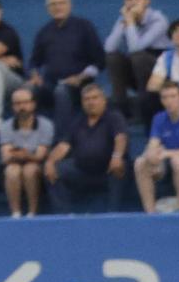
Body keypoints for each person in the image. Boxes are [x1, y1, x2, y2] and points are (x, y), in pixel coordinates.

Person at [27, 0, 103, 139]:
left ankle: (63, 141)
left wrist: (80, 77)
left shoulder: (84, 27)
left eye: (61, 3)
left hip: (79, 84)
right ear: (48, 8)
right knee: (27, 90)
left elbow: (100, 61)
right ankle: (31, 139)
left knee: (61, 91)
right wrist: (34, 75)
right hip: (50, 83)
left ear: (70, 5)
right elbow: (34, 61)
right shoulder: (44, 32)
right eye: (53, 4)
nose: (58, 7)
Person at [42, 82, 128, 212]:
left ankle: (113, 214)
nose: (91, 102)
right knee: (54, 170)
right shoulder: (77, 121)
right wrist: (50, 161)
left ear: (103, 99)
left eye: (95, 98)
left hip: (108, 169)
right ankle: (64, 216)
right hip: (82, 170)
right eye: (87, 99)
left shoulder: (114, 117)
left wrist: (117, 156)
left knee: (120, 167)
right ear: (82, 102)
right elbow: (64, 146)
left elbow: (120, 137)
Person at [103, 0, 173, 124]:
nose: (133, 2)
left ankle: (144, 106)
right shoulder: (124, 17)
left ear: (147, 1)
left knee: (138, 57)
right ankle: (120, 109)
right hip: (136, 71)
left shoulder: (158, 20)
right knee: (112, 58)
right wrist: (125, 22)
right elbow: (109, 48)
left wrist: (129, 22)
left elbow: (136, 48)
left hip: (160, 73)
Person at [133, 82, 179, 210]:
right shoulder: (158, 118)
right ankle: (150, 212)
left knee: (177, 161)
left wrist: (165, 153)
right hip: (164, 161)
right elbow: (153, 144)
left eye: (172, 96)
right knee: (140, 162)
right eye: (164, 97)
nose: (168, 101)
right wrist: (151, 155)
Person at [0, 87, 54, 216]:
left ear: (33, 104)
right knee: (11, 171)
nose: (22, 107)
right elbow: (6, 156)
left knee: (30, 169)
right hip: (15, 163)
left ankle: (32, 212)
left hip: (39, 165)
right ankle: (15, 213)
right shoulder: (6, 126)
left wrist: (25, 155)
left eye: (25, 102)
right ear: (12, 106)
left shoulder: (45, 125)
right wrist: (22, 155)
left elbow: (40, 155)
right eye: (17, 104)